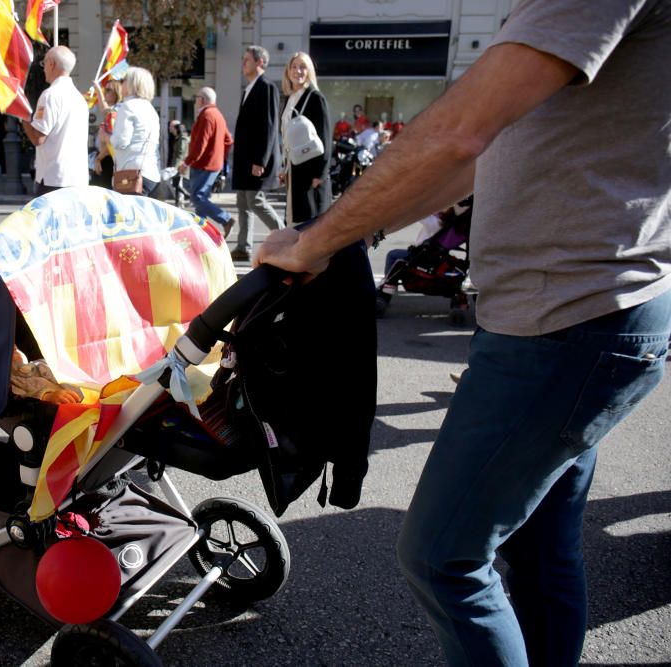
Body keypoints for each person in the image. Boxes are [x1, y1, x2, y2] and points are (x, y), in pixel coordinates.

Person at [255, 2, 671, 665]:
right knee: (537, 546)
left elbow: (458, 133)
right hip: (573, 315)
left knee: (441, 556)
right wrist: (344, 236)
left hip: (565, 321)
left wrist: (315, 239)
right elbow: (469, 159)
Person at [231, 45, 283, 262]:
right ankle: (243, 246)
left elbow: (269, 126)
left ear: (259, 62)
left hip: (256, 159)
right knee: (243, 202)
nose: (243, 64)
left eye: (247, 60)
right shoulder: (249, 88)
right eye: (243, 60)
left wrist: (260, 159)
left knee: (255, 200)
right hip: (244, 159)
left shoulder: (267, 87)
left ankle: (284, 235)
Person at [21, 45, 89, 196]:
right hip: (77, 178)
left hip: (54, 179)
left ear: (51, 63)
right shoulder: (79, 98)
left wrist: (24, 118)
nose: (43, 69)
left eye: (44, 64)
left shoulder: (50, 95)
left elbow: (38, 138)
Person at [279, 51, 331, 226]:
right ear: (288, 71)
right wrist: (283, 166)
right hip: (292, 169)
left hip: (310, 173)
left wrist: (320, 174)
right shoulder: (289, 98)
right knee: (294, 221)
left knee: (310, 224)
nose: (298, 71)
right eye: (294, 67)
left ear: (309, 71)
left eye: (302, 67)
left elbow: (325, 136)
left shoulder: (316, 98)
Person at [180, 86, 234, 236]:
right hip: (212, 164)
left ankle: (226, 219)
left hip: (204, 164)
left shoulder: (206, 115)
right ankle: (202, 233)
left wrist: (186, 163)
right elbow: (228, 141)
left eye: (196, 97)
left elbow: (200, 144)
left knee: (197, 197)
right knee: (201, 201)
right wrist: (220, 157)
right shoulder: (218, 115)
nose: (195, 101)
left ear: (202, 100)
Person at [110, 66, 161, 196]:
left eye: (124, 80)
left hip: (131, 174)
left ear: (133, 83)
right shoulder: (151, 109)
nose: (121, 83)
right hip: (151, 173)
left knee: (127, 215)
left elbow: (121, 141)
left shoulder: (127, 106)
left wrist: (107, 137)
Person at [91, 80, 120, 189]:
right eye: (104, 90)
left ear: (116, 92)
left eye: (108, 90)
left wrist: (99, 158)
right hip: (104, 158)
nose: (104, 93)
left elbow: (112, 143)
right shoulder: (112, 112)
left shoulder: (116, 112)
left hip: (108, 159)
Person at [167, 120, 190, 207]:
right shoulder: (176, 138)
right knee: (176, 184)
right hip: (176, 164)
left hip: (180, 165)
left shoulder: (182, 138)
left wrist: (176, 167)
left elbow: (181, 154)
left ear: (176, 128)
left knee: (177, 184)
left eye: (171, 127)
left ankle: (187, 197)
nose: (170, 128)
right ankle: (178, 202)